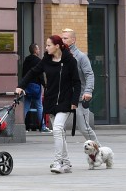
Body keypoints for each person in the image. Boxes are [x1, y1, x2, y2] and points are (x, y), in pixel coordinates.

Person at [15, 34, 81, 174]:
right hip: (50, 100)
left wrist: (75, 101)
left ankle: (57, 162)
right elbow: (33, 72)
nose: (46, 48)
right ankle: (67, 163)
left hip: (65, 101)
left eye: (49, 45)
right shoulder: (46, 60)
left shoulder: (70, 60)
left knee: (57, 129)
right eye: (46, 45)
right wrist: (21, 85)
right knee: (60, 133)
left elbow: (76, 82)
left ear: (57, 46)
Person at [59, 27, 100, 145]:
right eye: (62, 38)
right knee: (59, 129)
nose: (63, 40)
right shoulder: (60, 56)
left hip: (79, 98)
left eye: (65, 38)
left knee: (84, 128)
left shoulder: (81, 56)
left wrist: (88, 91)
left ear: (73, 40)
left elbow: (89, 74)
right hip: (64, 98)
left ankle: (99, 152)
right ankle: (62, 159)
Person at [20, 42, 45, 132]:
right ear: (35, 50)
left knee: (26, 106)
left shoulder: (26, 60)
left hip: (27, 86)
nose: (39, 50)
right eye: (38, 49)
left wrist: (23, 85)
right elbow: (40, 75)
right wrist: (44, 85)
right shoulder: (38, 61)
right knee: (39, 106)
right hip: (35, 86)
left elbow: (23, 73)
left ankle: (21, 125)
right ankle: (42, 127)